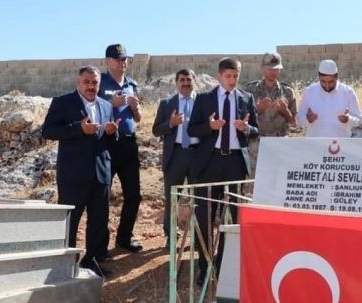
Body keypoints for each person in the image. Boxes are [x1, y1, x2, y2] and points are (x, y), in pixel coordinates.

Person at [42, 66, 119, 278]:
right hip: (73, 175)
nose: (91, 86)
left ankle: (92, 261)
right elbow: (48, 131)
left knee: (98, 221)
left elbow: (109, 139)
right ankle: (65, 265)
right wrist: (78, 128)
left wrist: (112, 132)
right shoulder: (63, 102)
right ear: (78, 82)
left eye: (95, 83)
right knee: (70, 221)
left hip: (101, 173)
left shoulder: (106, 105)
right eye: (87, 82)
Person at [187, 57, 259, 284]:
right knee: (205, 216)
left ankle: (225, 266)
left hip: (236, 163)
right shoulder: (204, 99)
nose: (232, 80)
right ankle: (205, 266)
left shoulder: (246, 98)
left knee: (233, 217)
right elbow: (191, 129)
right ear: (219, 76)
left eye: (236, 76)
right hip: (210, 163)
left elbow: (256, 131)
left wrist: (246, 128)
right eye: (228, 76)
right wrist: (209, 127)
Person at [98, 44, 143, 253]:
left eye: (124, 59)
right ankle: (100, 243)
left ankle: (124, 238)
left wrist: (135, 107)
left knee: (134, 194)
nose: (122, 62)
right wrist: (111, 104)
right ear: (107, 61)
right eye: (117, 59)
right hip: (106, 143)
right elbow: (91, 109)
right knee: (102, 195)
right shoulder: (99, 82)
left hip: (128, 144)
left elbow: (138, 118)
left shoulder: (132, 84)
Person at [152, 69, 199, 248]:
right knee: (172, 198)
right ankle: (171, 236)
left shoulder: (203, 102)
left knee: (199, 198)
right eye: (182, 80)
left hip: (198, 155)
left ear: (194, 81)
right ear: (176, 82)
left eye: (189, 79)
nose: (185, 83)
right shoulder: (166, 104)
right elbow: (156, 130)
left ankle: (198, 237)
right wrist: (171, 123)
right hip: (175, 155)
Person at [244, 52, 296, 185]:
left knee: (280, 183)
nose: (273, 72)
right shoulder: (250, 90)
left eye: (276, 69)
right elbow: (243, 120)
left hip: (280, 144)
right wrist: (258, 109)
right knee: (254, 185)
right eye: (270, 69)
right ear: (262, 68)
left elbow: (294, 123)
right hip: (257, 144)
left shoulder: (287, 91)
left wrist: (285, 111)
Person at [296, 59, 362, 137]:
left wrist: (348, 119)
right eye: (323, 82)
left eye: (331, 82)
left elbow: (359, 119)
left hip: (340, 142)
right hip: (314, 142)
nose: (327, 86)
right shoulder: (309, 92)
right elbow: (299, 119)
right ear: (319, 77)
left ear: (337, 77)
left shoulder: (348, 92)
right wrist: (307, 120)